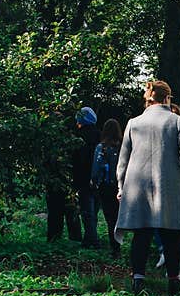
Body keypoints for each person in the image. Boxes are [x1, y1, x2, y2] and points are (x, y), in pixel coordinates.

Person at [115, 80, 180, 296]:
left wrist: (121, 185)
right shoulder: (178, 122)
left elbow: (123, 159)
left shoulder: (134, 123)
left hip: (138, 186)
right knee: (172, 235)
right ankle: (173, 280)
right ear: (168, 98)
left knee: (141, 234)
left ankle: (138, 279)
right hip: (169, 186)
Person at [44, 113, 82, 242]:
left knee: (56, 213)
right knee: (70, 211)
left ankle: (55, 238)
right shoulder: (70, 138)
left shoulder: (49, 140)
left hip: (57, 180)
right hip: (65, 180)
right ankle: (73, 239)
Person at [90, 118, 124, 258]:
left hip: (106, 186)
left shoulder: (101, 147)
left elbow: (96, 168)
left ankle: (115, 248)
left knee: (110, 219)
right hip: (122, 186)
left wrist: (94, 182)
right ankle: (120, 242)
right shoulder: (123, 146)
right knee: (118, 217)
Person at [72, 106, 101, 248]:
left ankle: (91, 239)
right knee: (94, 210)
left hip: (83, 177)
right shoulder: (99, 134)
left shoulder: (79, 137)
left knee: (86, 210)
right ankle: (91, 237)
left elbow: (77, 160)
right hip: (98, 178)